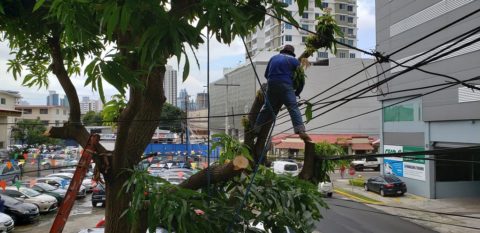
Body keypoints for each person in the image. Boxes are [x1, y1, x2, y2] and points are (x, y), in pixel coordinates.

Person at [254, 44, 311, 142]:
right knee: (293, 107)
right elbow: (301, 80)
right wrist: (297, 92)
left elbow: (266, 75)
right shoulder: (295, 61)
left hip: (271, 85)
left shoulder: (273, 58)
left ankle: (255, 130)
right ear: (292, 54)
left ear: (283, 51)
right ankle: (300, 131)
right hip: (286, 85)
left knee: (267, 108)